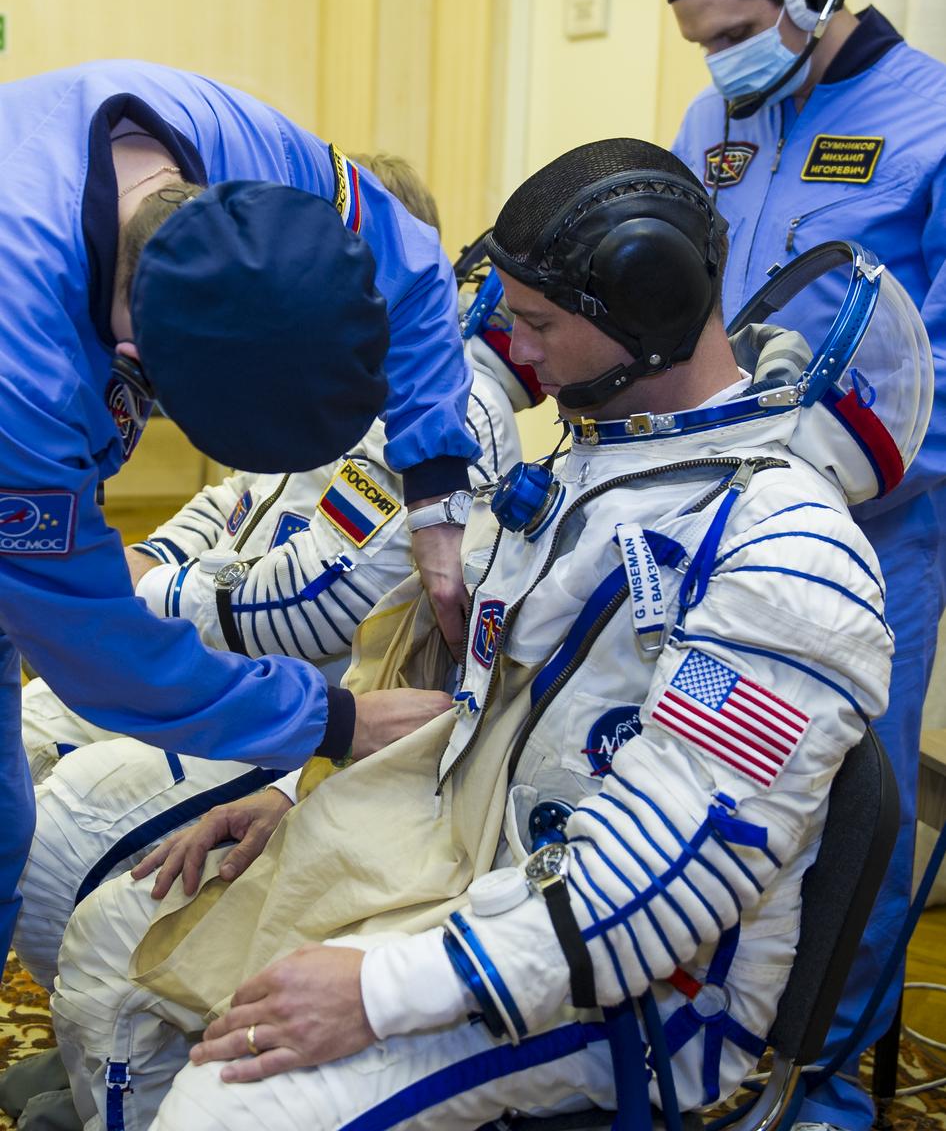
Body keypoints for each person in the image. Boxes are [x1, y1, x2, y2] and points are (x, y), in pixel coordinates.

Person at [47, 137, 930, 1131]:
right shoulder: (594, 474)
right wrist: (299, 793)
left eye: (538, 321)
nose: (516, 346)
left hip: (640, 995)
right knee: (119, 950)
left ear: (640, 313)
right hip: (473, 869)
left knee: (237, 1101)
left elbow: (664, 879)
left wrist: (380, 989)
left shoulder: (785, 553)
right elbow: (482, 708)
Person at [0, 60, 488, 974]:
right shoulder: (18, 374)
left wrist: (436, 495)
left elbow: (419, 274)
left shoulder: (260, 161)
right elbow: (102, 655)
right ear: (135, 362)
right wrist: (333, 724)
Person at [640, 0, 946, 1129]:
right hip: (710, 507)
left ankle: (820, 1069)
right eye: (699, 43)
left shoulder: (931, 121)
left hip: (877, 526)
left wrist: (846, 451)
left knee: (851, 795)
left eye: (730, 34)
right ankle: (694, 1029)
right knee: (703, 767)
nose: (718, 63)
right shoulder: (714, 124)